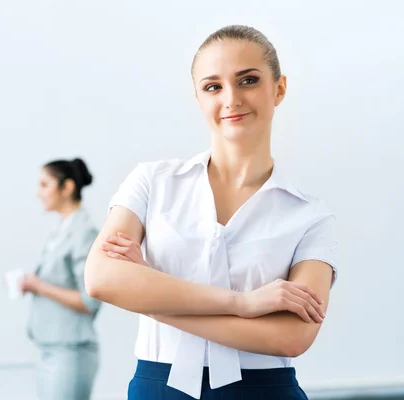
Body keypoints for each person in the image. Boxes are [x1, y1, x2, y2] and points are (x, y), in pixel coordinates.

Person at [85, 25, 338, 400]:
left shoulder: (310, 217)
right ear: (199, 98)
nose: (231, 98)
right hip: (157, 389)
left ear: (279, 88)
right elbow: (101, 279)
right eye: (213, 86)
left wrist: (149, 295)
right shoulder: (151, 182)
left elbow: (292, 337)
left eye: (248, 80)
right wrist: (244, 303)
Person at [19, 158, 102, 400]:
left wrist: (39, 285)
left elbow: (90, 300)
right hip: (50, 348)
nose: (38, 193)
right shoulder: (62, 230)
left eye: (45, 185)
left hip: (71, 351)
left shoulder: (84, 232)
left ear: (67, 187)